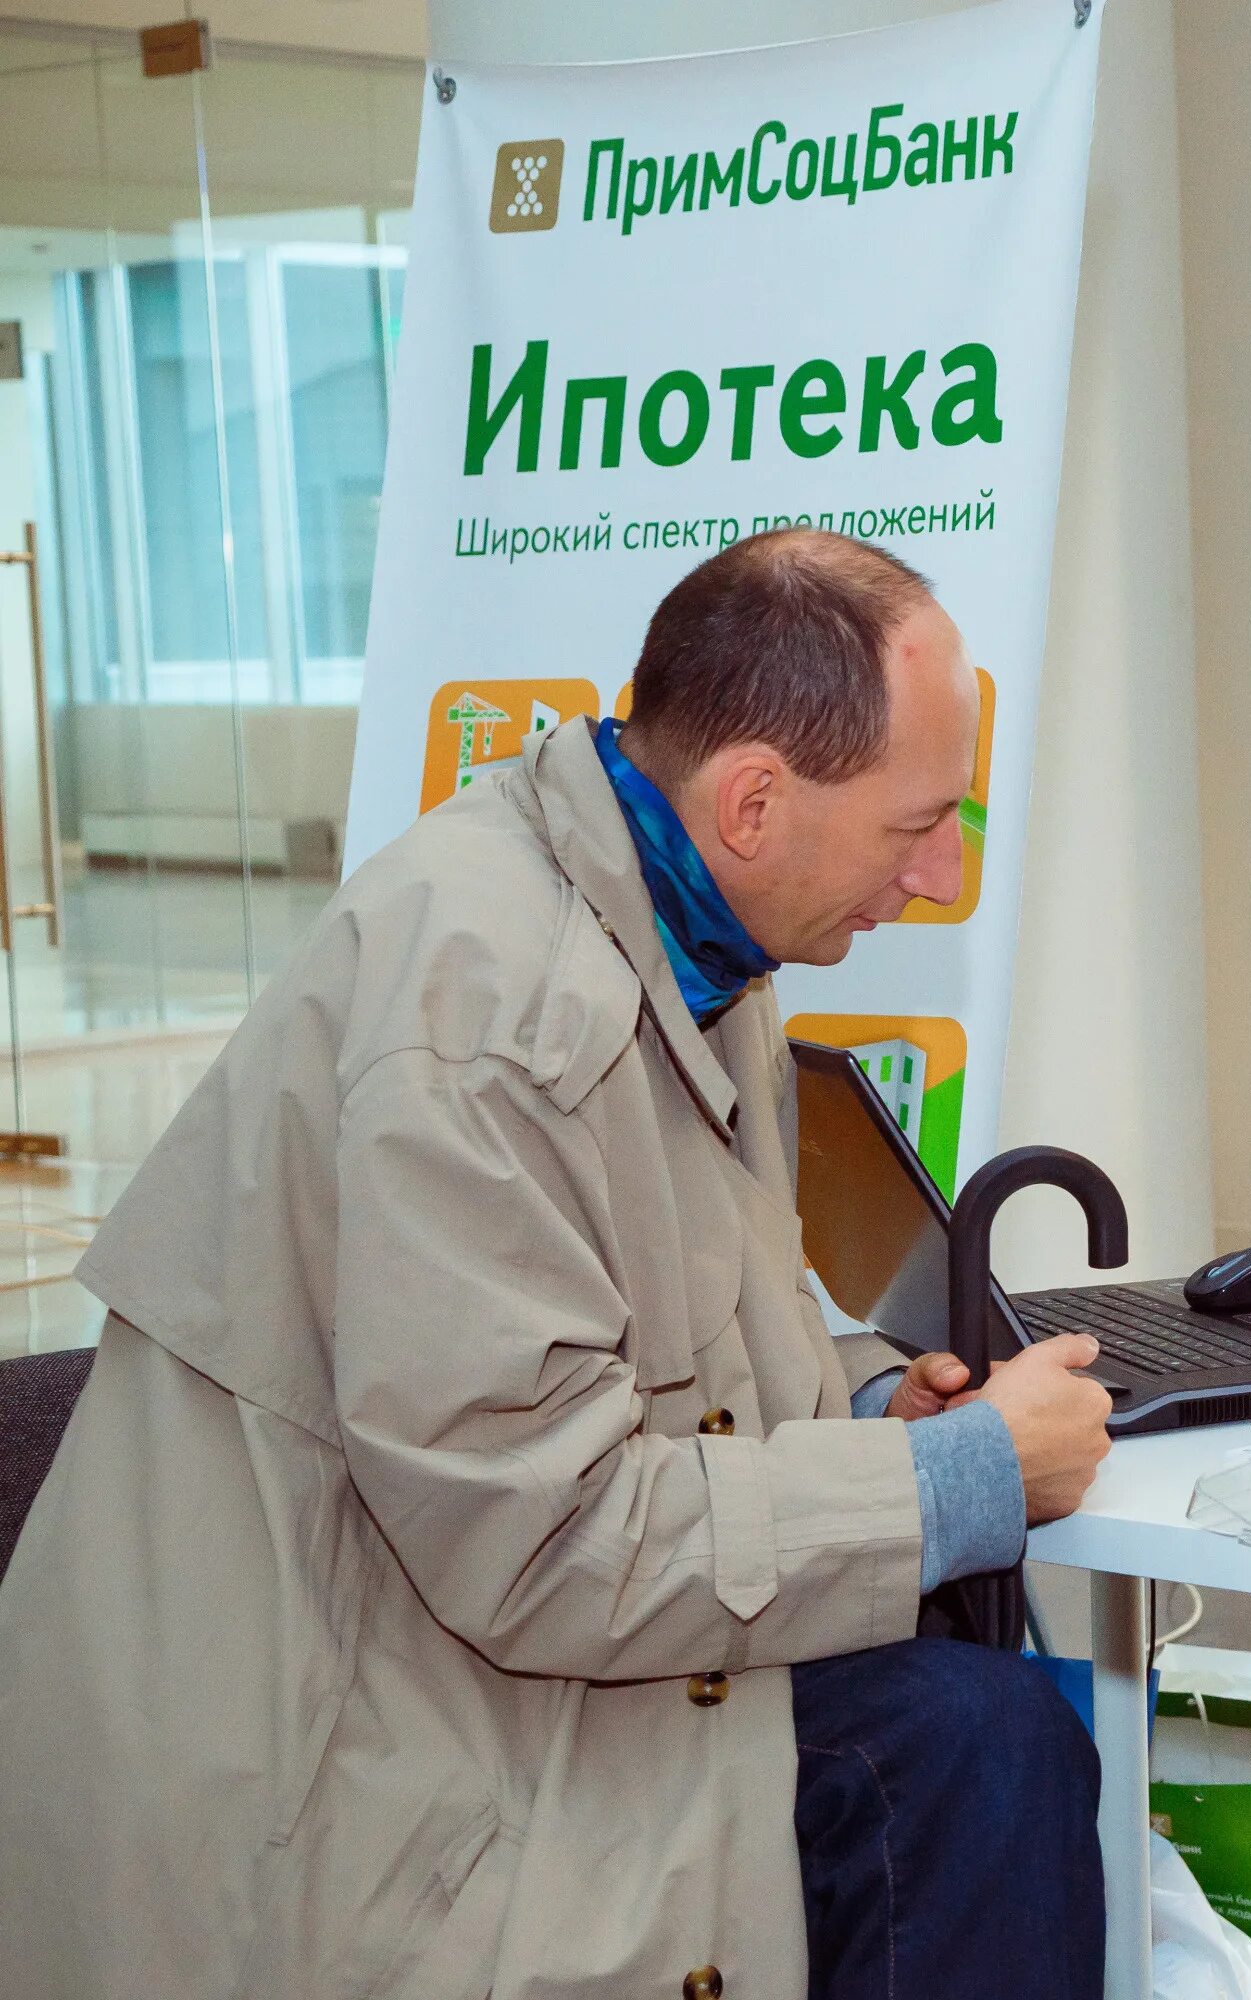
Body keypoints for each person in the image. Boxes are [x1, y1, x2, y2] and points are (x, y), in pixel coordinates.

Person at [0, 530, 1116, 2000]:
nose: (943, 870)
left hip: (455, 1636)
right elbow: (547, 1546)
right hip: (352, 1757)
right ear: (756, 800)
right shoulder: (492, 1013)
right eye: (919, 822)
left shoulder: (673, 924)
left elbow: (704, 1331)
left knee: (981, 1737)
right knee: (982, 1757)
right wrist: (952, 1483)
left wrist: (868, 1405)